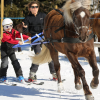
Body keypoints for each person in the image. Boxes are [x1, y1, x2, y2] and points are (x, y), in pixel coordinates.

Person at [22, 1, 57, 82]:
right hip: (35, 38)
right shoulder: (27, 18)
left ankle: (54, 73)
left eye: (36, 7)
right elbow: (25, 31)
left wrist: (46, 29)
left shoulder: (43, 15)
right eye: (33, 7)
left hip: (45, 37)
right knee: (38, 54)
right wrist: (25, 27)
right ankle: (32, 74)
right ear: (29, 9)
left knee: (49, 54)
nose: (35, 8)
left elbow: (48, 24)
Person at [0, 18, 31, 83]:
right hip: (4, 49)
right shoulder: (3, 34)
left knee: (15, 62)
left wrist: (27, 37)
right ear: (3, 27)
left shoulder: (14, 31)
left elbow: (19, 35)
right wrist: (17, 42)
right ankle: (2, 76)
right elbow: (10, 40)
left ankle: (19, 76)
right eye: (6, 27)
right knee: (5, 63)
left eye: (10, 26)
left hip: (11, 48)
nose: (8, 28)